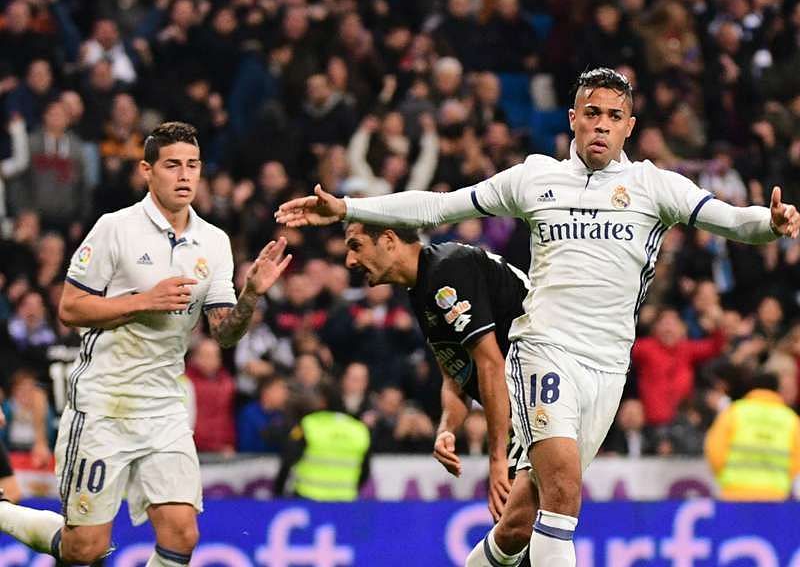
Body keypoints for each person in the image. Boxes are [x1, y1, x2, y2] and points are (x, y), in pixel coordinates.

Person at [276, 67, 800, 567]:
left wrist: (771, 223)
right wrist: (350, 209)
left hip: (609, 367)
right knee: (565, 494)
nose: (601, 124)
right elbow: (438, 207)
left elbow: (731, 221)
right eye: (591, 112)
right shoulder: (535, 178)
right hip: (543, 352)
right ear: (572, 118)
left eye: (614, 116)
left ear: (629, 127)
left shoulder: (653, 186)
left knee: (519, 523)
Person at [0, 121, 292, 566]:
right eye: (172, 165)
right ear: (147, 171)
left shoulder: (213, 242)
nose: (184, 175)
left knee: (182, 534)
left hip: (164, 407)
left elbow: (224, 332)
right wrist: (143, 302)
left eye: (192, 165)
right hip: (103, 403)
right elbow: (70, 308)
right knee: (85, 549)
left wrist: (249, 295)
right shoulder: (115, 228)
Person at [342, 222, 535, 536]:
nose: (350, 261)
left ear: (389, 239)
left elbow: (490, 365)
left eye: (356, 245)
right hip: (527, 403)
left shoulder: (449, 269)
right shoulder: (420, 289)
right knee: (518, 529)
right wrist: (447, 427)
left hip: (547, 396)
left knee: (516, 526)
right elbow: (455, 376)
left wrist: (497, 458)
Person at [705, 371, 800, 501]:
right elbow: (797, 461)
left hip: (734, 493)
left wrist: (723, 476)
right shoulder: (790, 419)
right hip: (775, 496)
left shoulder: (733, 413)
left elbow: (714, 451)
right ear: (777, 390)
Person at [273, 383, 371, 501]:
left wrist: (278, 491)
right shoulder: (359, 429)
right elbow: (365, 470)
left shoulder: (308, 425)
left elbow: (289, 458)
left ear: (323, 401)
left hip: (309, 497)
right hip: (345, 500)